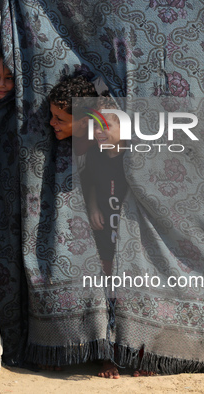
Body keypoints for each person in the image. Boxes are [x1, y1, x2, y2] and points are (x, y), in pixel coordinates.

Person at [81, 96, 129, 379]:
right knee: (107, 289)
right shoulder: (95, 156)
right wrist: (93, 206)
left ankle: (138, 354)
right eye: (95, 126)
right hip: (104, 235)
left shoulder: (135, 157)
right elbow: (88, 183)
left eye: (105, 125)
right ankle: (107, 356)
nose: (99, 131)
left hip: (129, 238)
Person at [0, 45, 28, 367]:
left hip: (15, 200)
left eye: (9, 78)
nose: (0, 85)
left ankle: (17, 347)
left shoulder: (25, 111)